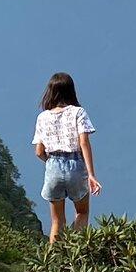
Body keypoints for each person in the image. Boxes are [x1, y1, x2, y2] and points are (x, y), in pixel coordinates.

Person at [33, 72, 101, 242]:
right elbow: (84, 142)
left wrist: (51, 162)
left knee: (57, 221)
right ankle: (75, 252)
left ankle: (54, 261)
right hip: (76, 164)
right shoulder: (78, 112)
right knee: (82, 212)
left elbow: (39, 151)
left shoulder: (43, 117)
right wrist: (91, 174)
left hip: (53, 166)